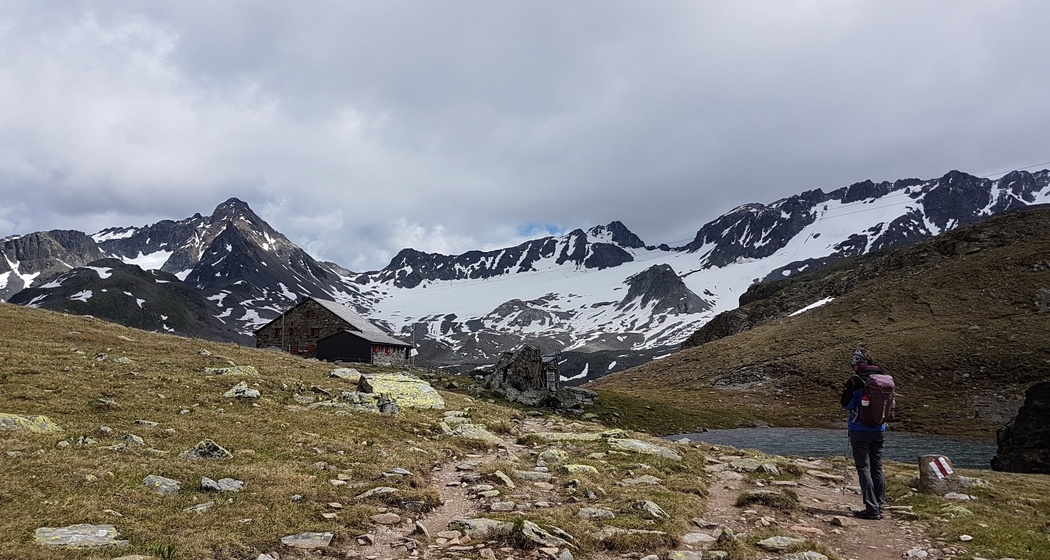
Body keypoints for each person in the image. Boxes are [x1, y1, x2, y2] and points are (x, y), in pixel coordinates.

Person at [841, 348, 887, 520]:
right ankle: (880, 505)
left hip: (859, 429)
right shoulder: (883, 380)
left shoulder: (855, 381)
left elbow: (846, 404)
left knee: (863, 467)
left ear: (857, 365)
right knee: (877, 466)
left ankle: (871, 507)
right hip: (880, 429)